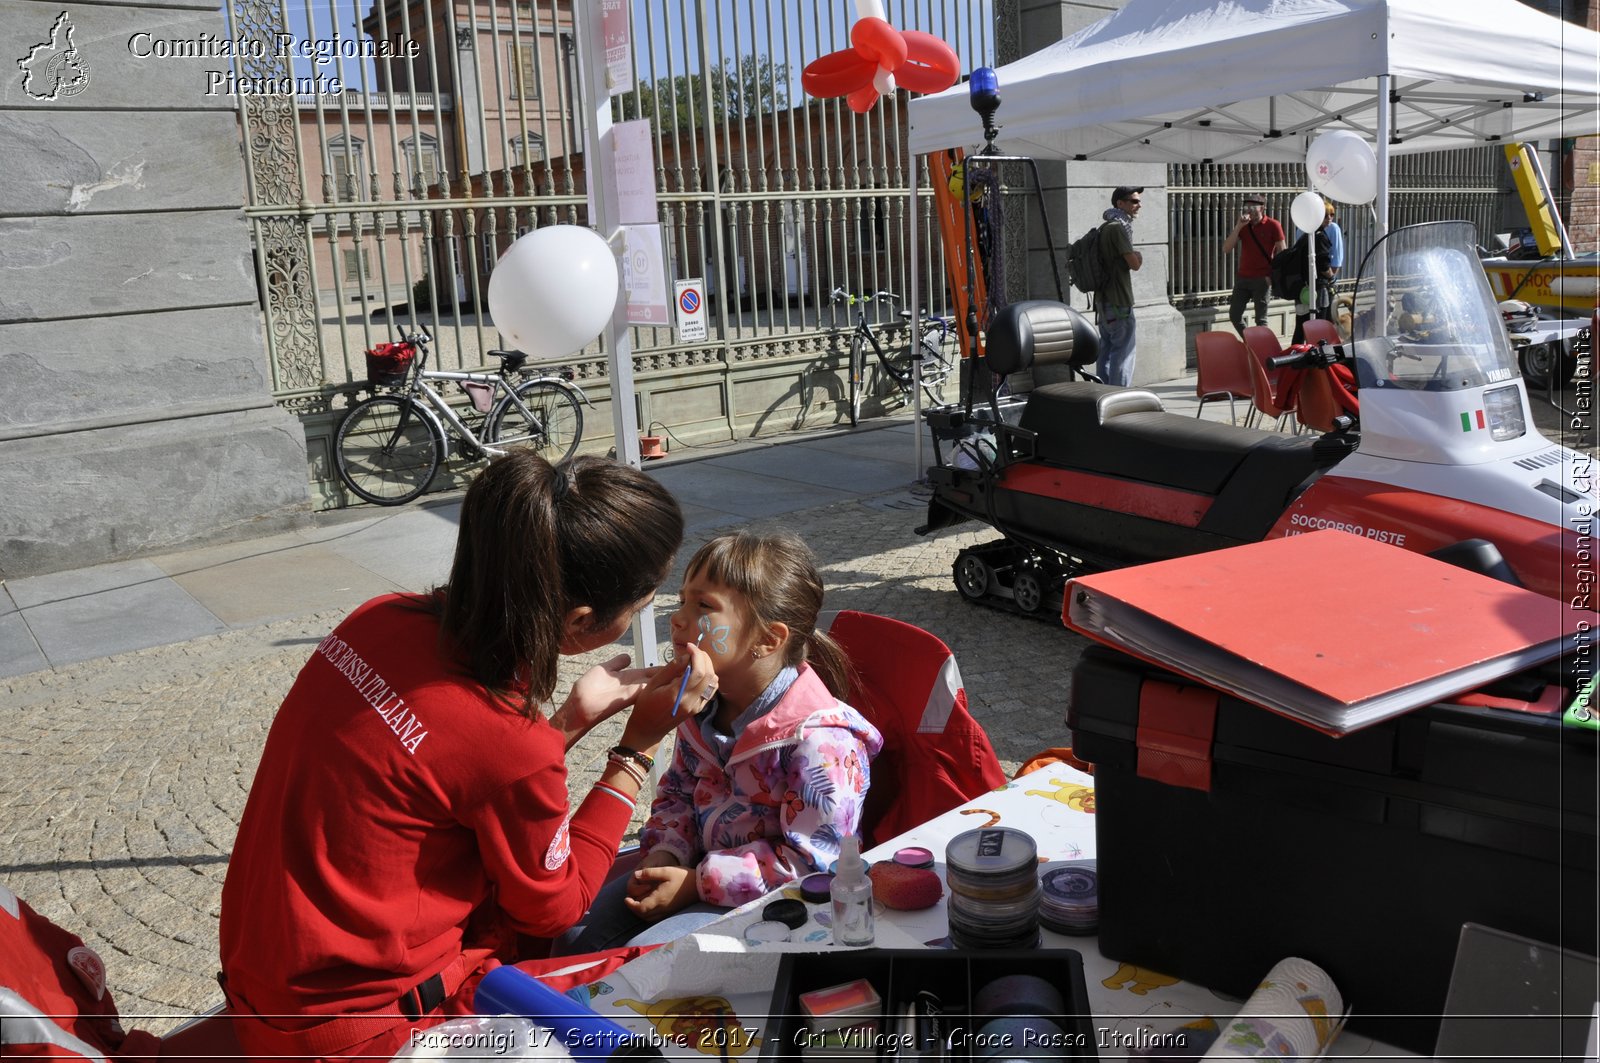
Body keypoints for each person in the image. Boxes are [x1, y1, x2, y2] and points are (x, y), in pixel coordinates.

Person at [218, 452, 709, 1063]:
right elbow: (556, 901)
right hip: (357, 1031)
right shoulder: (509, 741)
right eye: (644, 604)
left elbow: (449, 769)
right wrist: (637, 748)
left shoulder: (377, 619)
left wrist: (566, 723)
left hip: (270, 984)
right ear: (581, 624)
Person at [557, 530, 884, 953]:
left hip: (774, 903)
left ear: (769, 638)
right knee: (569, 935)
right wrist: (666, 853)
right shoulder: (703, 707)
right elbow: (677, 792)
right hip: (690, 869)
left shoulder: (821, 742)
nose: (677, 619)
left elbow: (814, 862)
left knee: (647, 959)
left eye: (703, 606)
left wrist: (697, 884)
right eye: (682, 602)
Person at [1096, 185, 1144, 386]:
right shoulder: (1118, 228)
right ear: (1120, 203)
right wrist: (1139, 256)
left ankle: (1103, 395)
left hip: (1104, 300)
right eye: (1134, 201)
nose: (1139, 205)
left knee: (1106, 350)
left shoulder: (1105, 227)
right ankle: (1119, 398)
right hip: (1118, 301)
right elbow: (1133, 264)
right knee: (1123, 352)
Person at [1222, 193, 1287, 338]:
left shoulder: (1273, 225)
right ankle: (1251, 342)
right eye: (1246, 207)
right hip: (1243, 278)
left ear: (1262, 208)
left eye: (1253, 207)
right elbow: (1226, 249)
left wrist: (1272, 276)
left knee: (1261, 320)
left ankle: (1262, 349)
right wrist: (1238, 226)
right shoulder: (1244, 226)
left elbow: (1283, 254)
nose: (1249, 210)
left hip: (1262, 280)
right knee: (1234, 315)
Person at [1290, 218, 1336, 344]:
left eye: (1331, 214)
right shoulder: (1320, 237)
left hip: (1302, 288)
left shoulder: (1305, 237)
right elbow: (1324, 266)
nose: (1330, 218)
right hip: (1317, 288)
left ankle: (1294, 355)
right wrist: (1331, 277)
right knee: (1320, 326)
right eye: (1326, 215)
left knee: (1301, 325)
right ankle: (1318, 355)